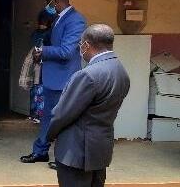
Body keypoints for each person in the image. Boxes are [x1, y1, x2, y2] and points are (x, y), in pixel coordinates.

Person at [47, 24, 130, 187]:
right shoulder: (121, 70)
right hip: (101, 149)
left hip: (76, 152)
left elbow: (61, 114)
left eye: (80, 45)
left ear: (86, 45)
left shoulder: (87, 75)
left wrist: (49, 135)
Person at [21, 0, 86, 166]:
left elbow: (66, 51)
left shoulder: (76, 20)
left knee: (65, 120)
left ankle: (66, 157)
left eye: (49, 2)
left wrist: (43, 52)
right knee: (48, 118)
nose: (48, 6)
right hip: (53, 78)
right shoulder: (58, 18)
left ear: (55, 1)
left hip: (65, 79)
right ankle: (40, 151)